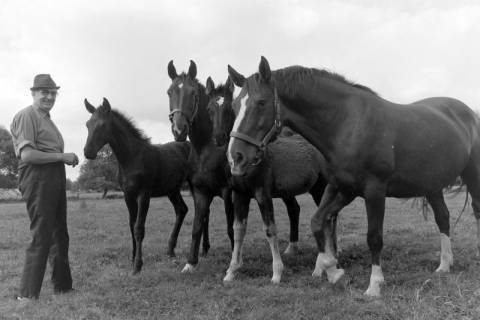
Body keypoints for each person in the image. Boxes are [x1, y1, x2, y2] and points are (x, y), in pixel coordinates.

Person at [10, 74, 79, 300]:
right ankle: (27, 295)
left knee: (60, 233)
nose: (49, 97)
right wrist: (62, 156)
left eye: (53, 93)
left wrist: (61, 159)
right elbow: (28, 155)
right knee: (41, 234)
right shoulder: (26, 115)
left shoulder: (47, 119)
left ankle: (63, 287)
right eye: (44, 93)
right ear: (33, 93)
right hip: (37, 176)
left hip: (54, 175)